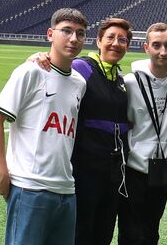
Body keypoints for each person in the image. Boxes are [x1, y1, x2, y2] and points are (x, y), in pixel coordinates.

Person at [0, 8, 89, 245]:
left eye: (80, 34)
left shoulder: (79, 82)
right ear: (50, 34)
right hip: (29, 186)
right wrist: (1, 171)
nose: (74, 39)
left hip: (66, 188)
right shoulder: (30, 71)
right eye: (67, 31)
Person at [118, 23, 167, 245]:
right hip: (133, 169)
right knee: (129, 231)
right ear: (146, 47)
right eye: (156, 45)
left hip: (163, 169)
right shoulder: (130, 82)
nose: (163, 52)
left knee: (151, 230)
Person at [71, 18, 133, 245]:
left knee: (104, 232)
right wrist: (37, 58)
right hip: (84, 170)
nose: (116, 43)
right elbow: (53, 69)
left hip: (113, 173)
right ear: (98, 41)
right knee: (81, 231)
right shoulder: (82, 68)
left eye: (123, 40)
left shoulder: (119, 78)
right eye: (110, 38)